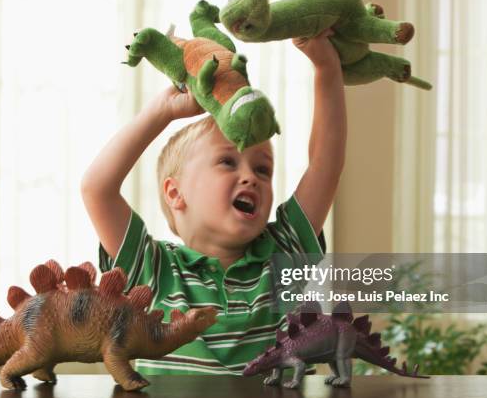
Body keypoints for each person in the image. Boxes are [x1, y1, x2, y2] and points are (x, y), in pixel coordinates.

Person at [81, 29, 346, 376]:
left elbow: (325, 164)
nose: (251, 177)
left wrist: (326, 68)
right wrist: (161, 112)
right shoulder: (153, 267)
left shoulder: (284, 252)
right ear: (175, 194)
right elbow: (96, 188)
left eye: (263, 169)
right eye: (228, 162)